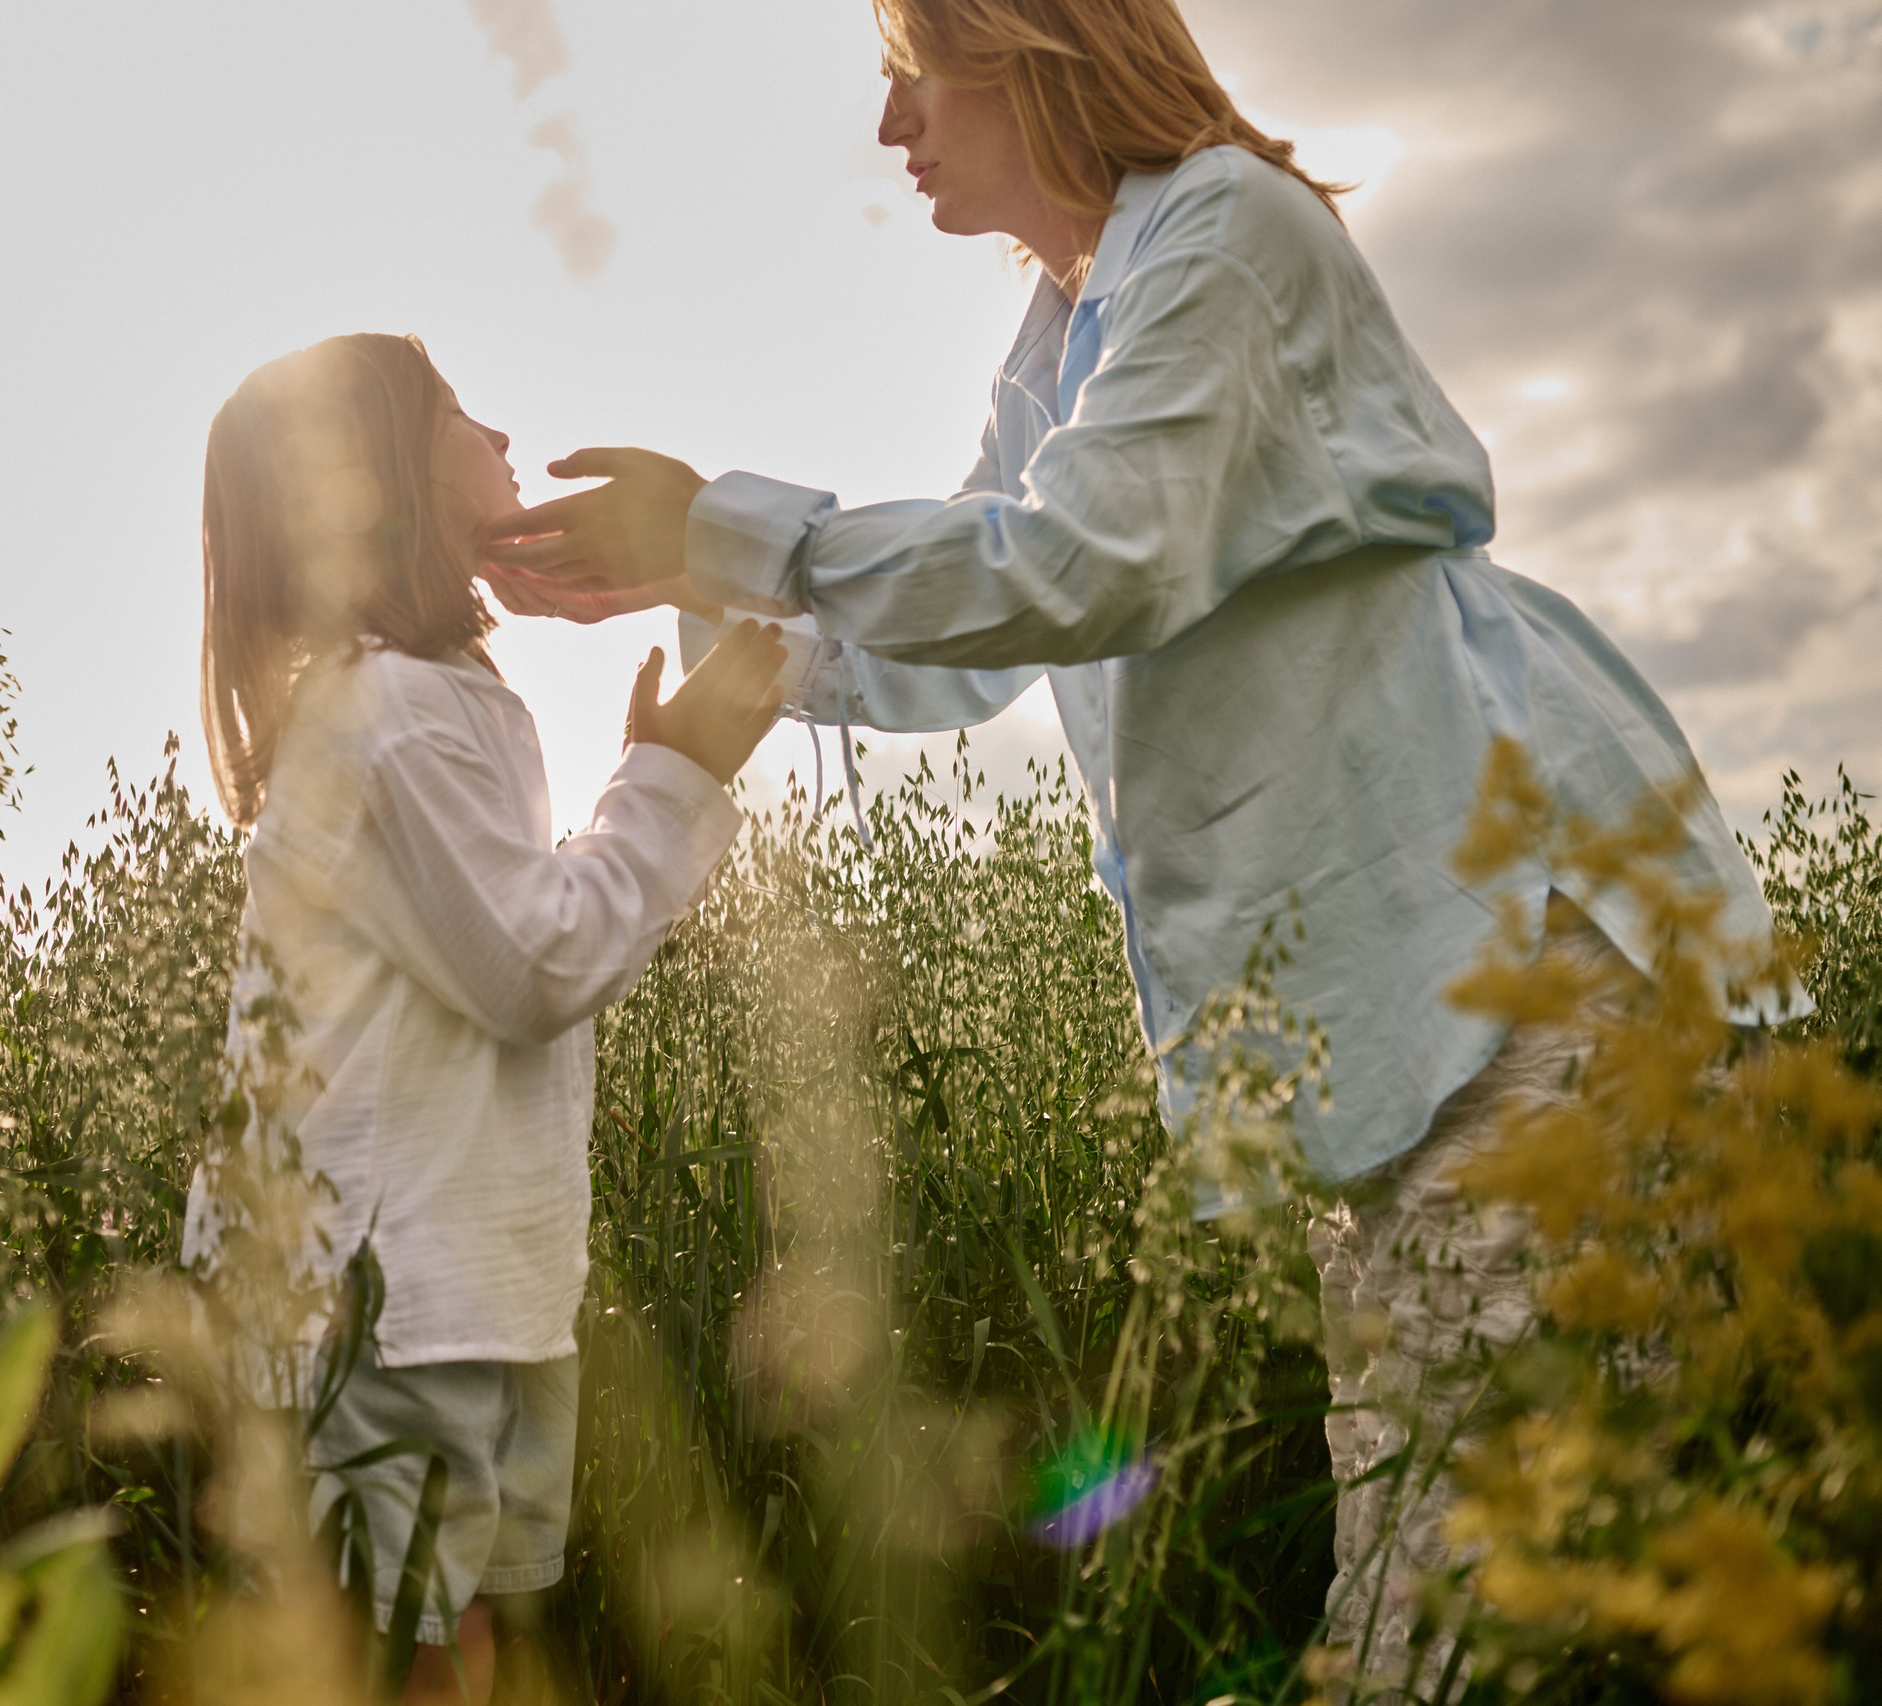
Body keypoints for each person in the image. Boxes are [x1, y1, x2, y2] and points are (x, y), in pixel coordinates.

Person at [478, 0, 1796, 1695]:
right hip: (1401, 1004)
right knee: (1466, 1584)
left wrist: (730, 526)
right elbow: (986, 608)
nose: (891, 136)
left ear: (1033, 45)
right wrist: (732, 631)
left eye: (910, 78)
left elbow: (1076, 565)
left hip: (1522, 958)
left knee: (1478, 1612)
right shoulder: (1068, 322)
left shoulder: (1229, 236)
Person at [183, 332, 786, 1703]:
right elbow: (537, 962)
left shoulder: (430, 702)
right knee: (424, 1660)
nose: (501, 435)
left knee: (460, 1652)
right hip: (391, 1306)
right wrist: (672, 776)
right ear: (382, 476)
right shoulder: (383, 716)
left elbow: (502, 947)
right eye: (459, 414)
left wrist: (649, 779)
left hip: (473, 1292)